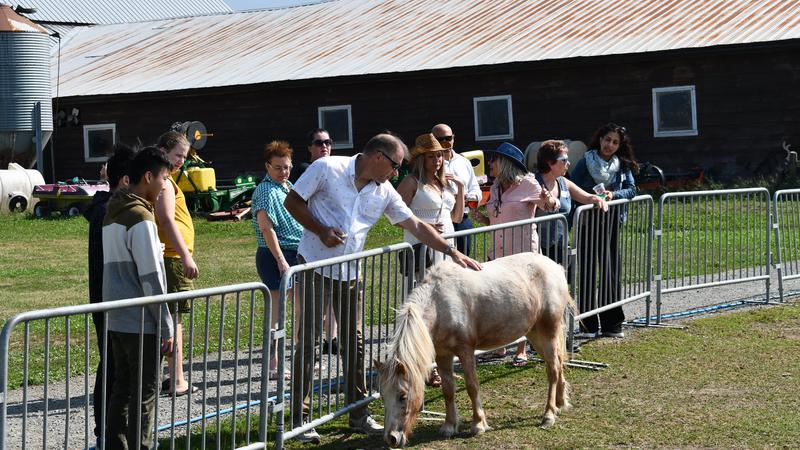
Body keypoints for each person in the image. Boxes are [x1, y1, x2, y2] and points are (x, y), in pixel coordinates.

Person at [284, 133, 482, 444]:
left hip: (350, 272)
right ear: (378, 157)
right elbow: (292, 201)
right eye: (395, 166)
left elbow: (415, 225)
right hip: (314, 266)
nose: (397, 172)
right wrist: (320, 230)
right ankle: (300, 418)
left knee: (354, 342)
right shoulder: (327, 168)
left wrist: (451, 250)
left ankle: (359, 413)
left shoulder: (384, 191)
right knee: (309, 341)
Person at [103, 147, 174, 450]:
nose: (165, 186)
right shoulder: (141, 217)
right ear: (148, 177)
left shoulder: (113, 212)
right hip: (140, 321)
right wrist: (167, 326)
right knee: (145, 392)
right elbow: (151, 278)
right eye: (164, 179)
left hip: (117, 317)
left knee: (121, 388)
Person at [471, 142, 558, 367]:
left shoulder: (528, 184)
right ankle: (500, 348)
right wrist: (484, 219)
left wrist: (550, 199)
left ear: (505, 164)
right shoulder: (496, 187)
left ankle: (522, 350)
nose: (490, 163)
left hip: (522, 255)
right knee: (500, 301)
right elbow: (498, 218)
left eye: (494, 160)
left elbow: (551, 206)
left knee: (523, 303)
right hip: (499, 253)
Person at [84, 144, 136, 447]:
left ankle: (112, 432)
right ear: (126, 180)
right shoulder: (108, 212)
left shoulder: (107, 208)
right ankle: (106, 433)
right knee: (114, 368)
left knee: (115, 367)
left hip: (109, 299)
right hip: (110, 301)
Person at [570, 123, 639, 339]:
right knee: (588, 271)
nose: (610, 145)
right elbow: (573, 187)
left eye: (615, 142)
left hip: (611, 221)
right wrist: (590, 198)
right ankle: (588, 325)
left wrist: (613, 195)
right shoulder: (585, 162)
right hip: (588, 222)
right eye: (607, 140)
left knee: (610, 271)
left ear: (619, 146)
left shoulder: (622, 165)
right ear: (600, 139)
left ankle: (612, 324)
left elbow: (632, 189)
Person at [252, 140, 303, 381]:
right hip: (274, 255)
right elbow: (266, 228)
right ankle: (273, 364)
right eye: (278, 168)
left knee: (302, 309)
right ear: (267, 166)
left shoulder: (287, 186)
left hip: (295, 253)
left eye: (287, 167)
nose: (284, 172)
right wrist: (281, 260)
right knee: (276, 313)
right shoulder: (264, 191)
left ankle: (301, 358)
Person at [155, 131, 198, 396]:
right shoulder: (165, 183)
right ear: (163, 152)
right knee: (174, 321)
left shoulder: (166, 180)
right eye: (178, 155)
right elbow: (166, 219)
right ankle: (177, 379)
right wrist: (185, 255)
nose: (182, 161)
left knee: (171, 320)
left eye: (185, 156)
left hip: (172, 256)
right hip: (172, 258)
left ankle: (170, 376)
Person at [289, 128, 339, 355]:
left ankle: (332, 337)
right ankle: (308, 349)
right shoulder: (306, 170)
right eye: (319, 143)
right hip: (310, 241)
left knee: (333, 296)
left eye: (328, 142)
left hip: (333, 242)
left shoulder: (335, 168)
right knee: (311, 304)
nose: (324, 146)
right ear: (310, 147)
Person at [396, 133, 464, 275]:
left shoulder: (445, 183)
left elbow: (457, 218)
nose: (437, 160)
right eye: (431, 156)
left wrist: (461, 187)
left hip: (447, 238)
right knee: (423, 283)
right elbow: (397, 217)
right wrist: (426, 226)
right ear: (422, 159)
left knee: (447, 280)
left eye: (439, 155)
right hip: (421, 241)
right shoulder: (411, 181)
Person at [534, 139, 608, 265]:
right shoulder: (533, 183)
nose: (568, 163)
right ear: (549, 162)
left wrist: (598, 199)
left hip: (562, 246)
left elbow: (587, 197)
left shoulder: (563, 182)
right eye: (564, 160)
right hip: (538, 250)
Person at [431, 123, 482, 255]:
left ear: (453, 138)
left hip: (463, 218)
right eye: (440, 139)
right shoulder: (431, 164)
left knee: (464, 257)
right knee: (441, 259)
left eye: (448, 138)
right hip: (441, 219)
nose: (445, 142)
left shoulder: (464, 161)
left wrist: (467, 197)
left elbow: (475, 188)